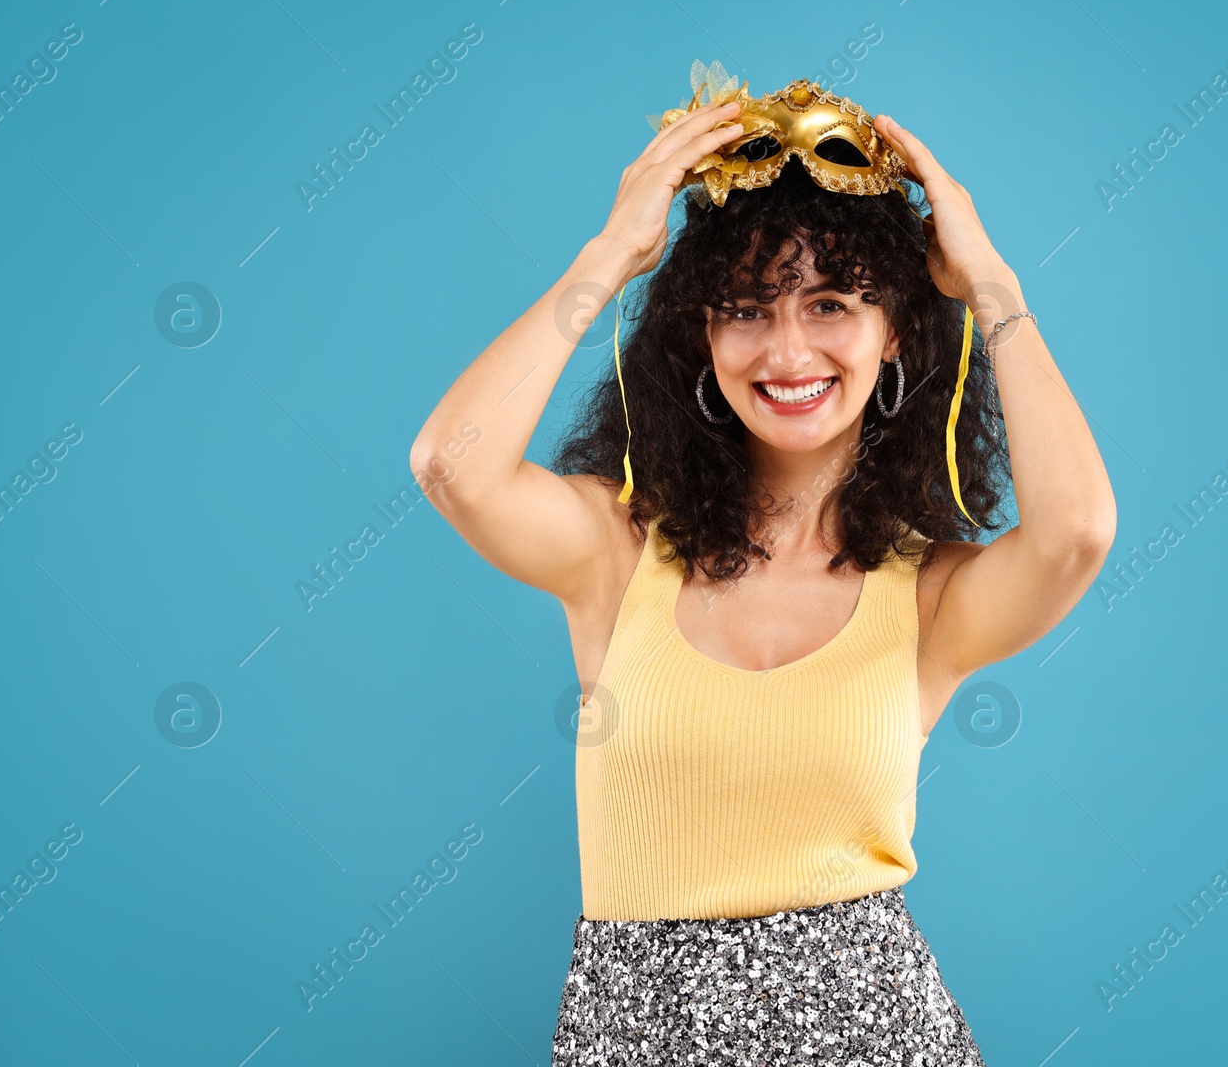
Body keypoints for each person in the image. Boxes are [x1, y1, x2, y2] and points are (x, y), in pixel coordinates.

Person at [409, 68, 1116, 1065]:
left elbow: (1077, 533)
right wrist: (609, 256)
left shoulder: (929, 595)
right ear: (700, 335)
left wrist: (992, 285)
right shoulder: (618, 555)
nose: (786, 350)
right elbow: (453, 465)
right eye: (744, 308)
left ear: (894, 330)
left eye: (830, 305)